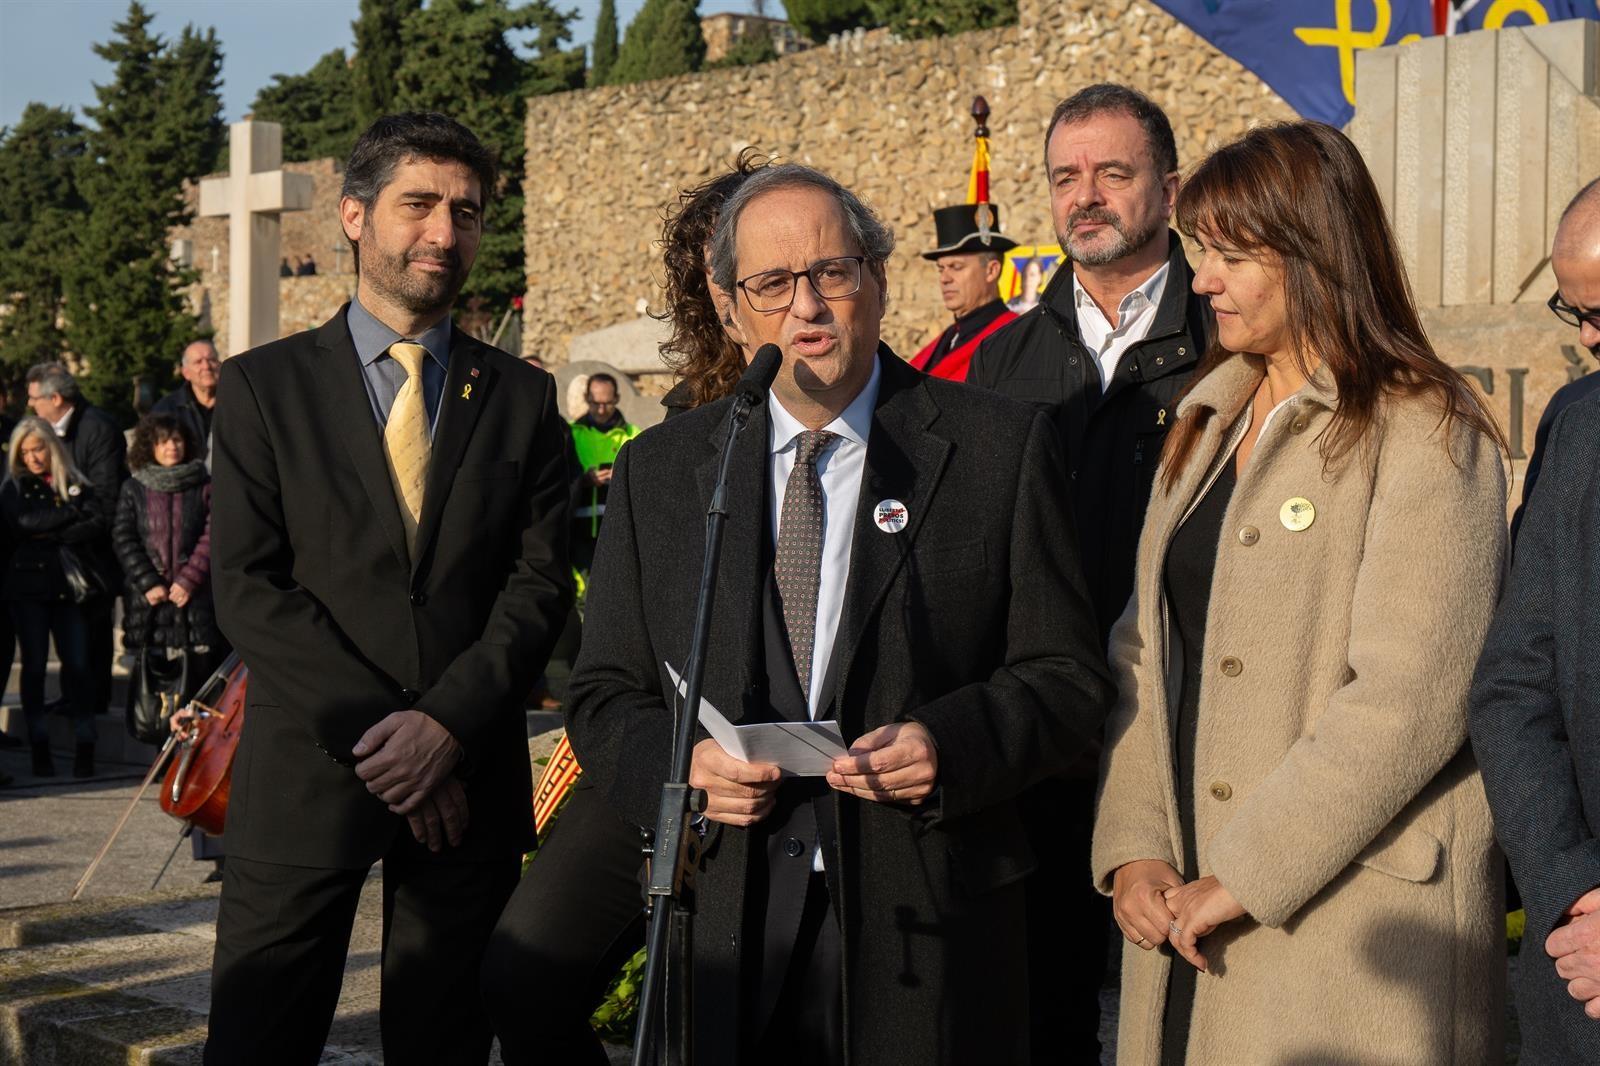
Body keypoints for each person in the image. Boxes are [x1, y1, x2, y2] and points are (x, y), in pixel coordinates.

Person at [564, 162, 1113, 1065]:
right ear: (731, 307)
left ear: (879, 279)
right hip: (729, 916)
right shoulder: (661, 473)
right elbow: (604, 694)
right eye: (771, 284)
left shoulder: (999, 448)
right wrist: (683, 767)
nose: (805, 308)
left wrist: (953, 742)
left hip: (927, 913)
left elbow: (1066, 678)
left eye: (832, 272)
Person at [1093, 121, 1507, 1064]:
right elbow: (1142, 650)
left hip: (1347, 937)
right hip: (1185, 909)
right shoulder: (1203, 419)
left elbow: (1412, 698)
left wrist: (1241, 872)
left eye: (1233, 255)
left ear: (1316, 252)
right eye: (1202, 251)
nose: (1202, 279)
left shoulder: (1427, 430)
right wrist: (1133, 847)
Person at [204, 111, 572, 1066]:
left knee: (444, 1042)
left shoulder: (523, 400)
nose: (445, 233)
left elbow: (537, 586)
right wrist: (390, 743)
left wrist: (443, 729)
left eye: (468, 210)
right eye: (420, 204)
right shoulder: (262, 390)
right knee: (259, 1038)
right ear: (356, 216)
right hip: (310, 772)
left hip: (468, 778)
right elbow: (250, 588)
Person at [482, 155, 762, 1066]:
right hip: (655, 751)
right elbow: (623, 637)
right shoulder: (668, 433)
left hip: (780, 767)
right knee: (525, 977)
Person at [965, 82, 1212, 1060]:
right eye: (1065, 177)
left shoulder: (1235, 341)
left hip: (1191, 739)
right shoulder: (1002, 366)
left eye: (1114, 172)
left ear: (1170, 187)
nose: (1086, 197)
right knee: (1043, 1015)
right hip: (1043, 752)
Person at [1469, 176, 1600, 1065]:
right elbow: (1514, 682)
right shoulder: (1578, 424)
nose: (1589, 337)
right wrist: (1571, 889)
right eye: (1574, 309)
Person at [114, 412, 229, 873]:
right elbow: (124, 538)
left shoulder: (204, 484)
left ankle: (207, 815)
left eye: (178, 441)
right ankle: (170, 782)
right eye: (163, 443)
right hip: (153, 612)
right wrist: (149, 582)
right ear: (149, 447)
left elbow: (212, 535)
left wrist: (188, 579)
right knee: (160, 706)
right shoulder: (133, 487)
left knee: (204, 714)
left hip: (196, 609)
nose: (172, 448)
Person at [0, 417, 107, 778]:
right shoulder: (15, 487)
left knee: (77, 665)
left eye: (38, 448)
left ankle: (85, 743)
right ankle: (39, 745)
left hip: (69, 587)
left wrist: (55, 526)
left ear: (52, 447)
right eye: (25, 451)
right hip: (27, 589)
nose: (32, 457)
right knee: (34, 665)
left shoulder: (75, 482)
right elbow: (24, 523)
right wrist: (68, 515)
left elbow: (95, 522)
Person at [25, 362, 125, 726]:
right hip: (65, 555)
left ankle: (90, 700)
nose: (31, 405)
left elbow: (106, 498)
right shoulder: (50, 431)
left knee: (93, 633)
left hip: (93, 553)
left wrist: (58, 531)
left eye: (35, 398)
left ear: (55, 397)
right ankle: (73, 697)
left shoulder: (97, 429)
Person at [909, 203, 1018, 380]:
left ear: (992, 271)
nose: (944, 278)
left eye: (956, 267)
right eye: (941, 268)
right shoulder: (948, 337)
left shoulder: (1014, 337)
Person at [569, 372, 639, 573]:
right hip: (577, 531)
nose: (601, 410)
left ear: (616, 398)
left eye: (607, 403)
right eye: (595, 403)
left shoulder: (634, 435)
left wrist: (620, 477)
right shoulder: (572, 434)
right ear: (587, 399)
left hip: (618, 531)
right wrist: (583, 480)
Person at [152, 339, 221, 467]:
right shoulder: (166, 409)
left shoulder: (238, 404)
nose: (206, 366)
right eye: (198, 362)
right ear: (186, 373)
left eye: (211, 359)